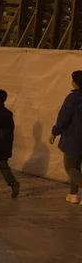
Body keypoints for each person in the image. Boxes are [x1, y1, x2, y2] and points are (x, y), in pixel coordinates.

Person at [50, 70, 82, 204]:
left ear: (74, 83)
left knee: (70, 167)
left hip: (74, 139)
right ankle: (73, 194)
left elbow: (64, 118)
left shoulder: (72, 98)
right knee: (77, 166)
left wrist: (54, 132)